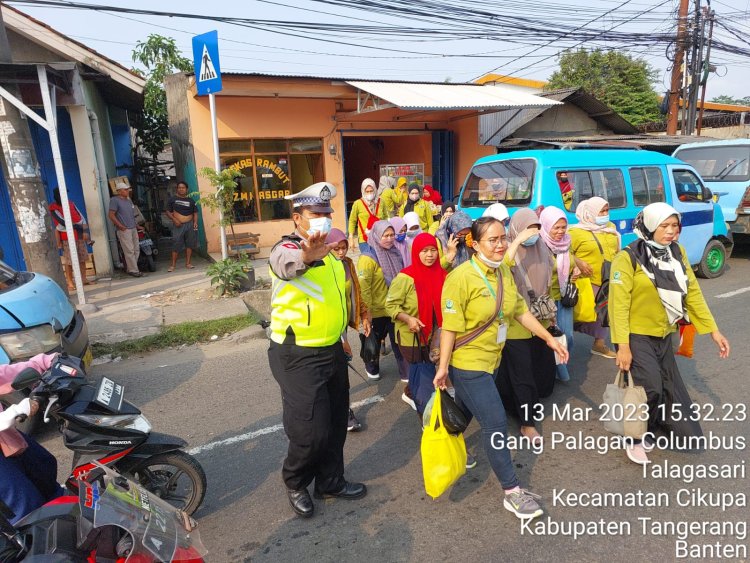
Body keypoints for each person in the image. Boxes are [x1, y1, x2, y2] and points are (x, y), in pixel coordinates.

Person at [433, 216, 568, 519]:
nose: (499, 245)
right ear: (475, 244)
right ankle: (512, 491)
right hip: (468, 364)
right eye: (491, 240)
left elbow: (519, 310)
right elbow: (450, 328)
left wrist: (549, 339)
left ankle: (449, 444)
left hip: (492, 360)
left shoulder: (504, 271)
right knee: (494, 424)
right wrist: (443, 368)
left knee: (465, 411)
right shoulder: (460, 277)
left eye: (502, 239)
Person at [267, 181, 366, 518]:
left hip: (332, 350)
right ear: (298, 218)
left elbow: (336, 303)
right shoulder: (286, 248)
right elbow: (287, 264)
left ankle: (330, 481)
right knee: (310, 430)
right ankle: (295, 481)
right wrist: (307, 256)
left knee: (337, 423)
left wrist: (343, 336)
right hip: (297, 355)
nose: (324, 218)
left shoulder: (335, 259)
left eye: (327, 212)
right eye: (316, 213)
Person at [609, 202, 730, 465]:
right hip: (636, 335)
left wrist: (713, 331)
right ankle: (633, 438)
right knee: (648, 387)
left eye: (675, 225)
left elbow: (693, 293)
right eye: (664, 225)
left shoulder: (676, 252)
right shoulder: (628, 257)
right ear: (650, 225)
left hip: (665, 332)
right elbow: (618, 304)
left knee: (663, 389)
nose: (671, 231)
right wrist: (623, 346)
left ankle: (648, 427)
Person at [496, 209, 558, 445]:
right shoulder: (507, 250)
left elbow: (549, 282)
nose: (533, 234)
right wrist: (518, 240)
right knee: (522, 375)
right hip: (515, 324)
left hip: (540, 320)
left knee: (537, 371)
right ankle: (527, 423)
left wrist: (552, 314)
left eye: (536, 228)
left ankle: (519, 406)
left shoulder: (542, 248)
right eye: (528, 229)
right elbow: (501, 267)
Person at [385, 233, 446, 415]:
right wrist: (408, 318)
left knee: (427, 371)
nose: (429, 255)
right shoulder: (405, 277)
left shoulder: (442, 274)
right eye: (424, 251)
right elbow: (390, 305)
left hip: (435, 336)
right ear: (416, 253)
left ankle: (414, 393)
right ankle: (424, 409)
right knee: (421, 373)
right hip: (411, 336)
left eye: (433, 250)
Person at [1, 353, 65, 524]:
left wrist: (45, 362)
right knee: (24, 504)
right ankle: (37, 543)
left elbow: (6, 375)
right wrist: (13, 412)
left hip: (7, 438)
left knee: (44, 469)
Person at [326, 228, 373, 433]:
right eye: (336, 249)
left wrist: (364, 314)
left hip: (342, 324)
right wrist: (340, 338)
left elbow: (356, 289)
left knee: (340, 371)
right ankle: (339, 413)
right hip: (328, 326)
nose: (341, 252)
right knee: (334, 372)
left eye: (344, 248)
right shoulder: (322, 268)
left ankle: (342, 412)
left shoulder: (348, 264)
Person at [357, 220, 409, 382]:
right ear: (376, 236)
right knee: (373, 341)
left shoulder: (395, 252)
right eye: (385, 235)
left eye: (392, 235)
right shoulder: (367, 258)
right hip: (377, 310)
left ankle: (405, 373)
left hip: (395, 308)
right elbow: (363, 288)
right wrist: (367, 312)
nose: (389, 238)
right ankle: (372, 367)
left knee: (399, 342)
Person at [570, 196, 620, 358]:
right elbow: (563, 251)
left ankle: (599, 344)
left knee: (604, 313)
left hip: (607, 278)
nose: (605, 214)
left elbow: (616, 250)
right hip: (586, 281)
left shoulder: (610, 227)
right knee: (582, 314)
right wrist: (578, 262)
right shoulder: (575, 232)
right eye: (601, 211)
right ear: (589, 213)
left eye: (607, 210)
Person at [539, 206, 579, 382]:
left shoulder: (566, 243)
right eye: (556, 227)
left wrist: (575, 268)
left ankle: (559, 362)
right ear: (546, 226)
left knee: (568, 335)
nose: (560, 231)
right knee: (554, 335)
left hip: (563, 297)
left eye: (563, 227)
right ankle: (559, 370)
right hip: (547, 299)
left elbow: (568, 262)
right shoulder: (540, 245)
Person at [49, 187, 92, 290]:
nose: (64, 196)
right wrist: (78, 226)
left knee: (82, 258)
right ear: (56, 196)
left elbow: (82, 217)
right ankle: (70, 282)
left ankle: (83, 279)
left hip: (79, 235)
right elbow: (62, 222)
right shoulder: (53, 207)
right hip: (66, 237)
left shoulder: (71, 203)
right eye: (61, 194)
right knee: (69, 261)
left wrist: (85, 232)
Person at [108, 182, 142, 278]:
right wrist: (120, 225)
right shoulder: (114, 200)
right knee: (129, 250)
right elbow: (111, 215)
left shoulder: (128, 201)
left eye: (127, 189)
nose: (127, 191)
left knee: (136, 249)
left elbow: (132, 215)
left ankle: (130, 268)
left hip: (133, 227)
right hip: (124, 229)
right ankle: (134, 270)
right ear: (119, 191)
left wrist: (137, 225)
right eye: (125, 189)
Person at [165, 180, 198, 272]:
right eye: (179, 188)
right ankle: (173, 265)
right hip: (178, 225)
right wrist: (174, 219)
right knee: (176, 243)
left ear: (186, 189)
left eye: (183, 188)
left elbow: (195, 212)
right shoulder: (172, 199)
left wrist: (195, 222)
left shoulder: (191, 200)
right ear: (177, 189)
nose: (181, 189)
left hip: (190, 225)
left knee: (190, 244)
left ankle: (188, 263)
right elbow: (167, 211)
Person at [347, 178, 380, 252]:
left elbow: (385, 218)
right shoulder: (358, 203)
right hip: (364, 240)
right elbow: (352, 220)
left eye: (371, 191)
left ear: (375, 190)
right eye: (367, 191)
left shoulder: (381, 202)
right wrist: (351, 237)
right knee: (367, 261)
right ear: (363, 191)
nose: (369, 193)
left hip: (379, 238)